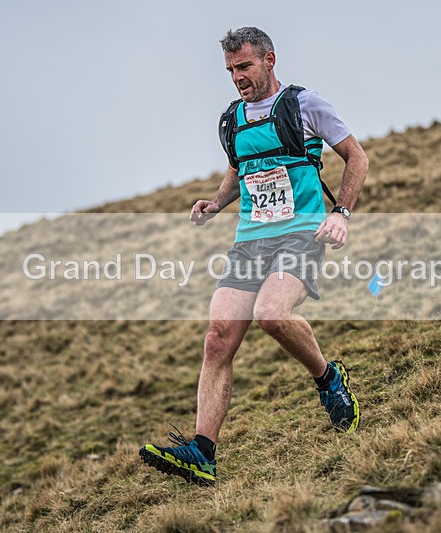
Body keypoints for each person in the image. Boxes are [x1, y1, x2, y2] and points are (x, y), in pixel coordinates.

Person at [140, 27, 369, 485]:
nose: (237, 78)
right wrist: (215, 203)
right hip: (249, 241)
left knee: (270, 314)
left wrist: (341, 213)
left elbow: (356, 157)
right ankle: (203, 453)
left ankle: (327, 378)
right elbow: (237, 170)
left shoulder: (305, 104)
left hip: (301, 234)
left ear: (269, 59)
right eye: (230, 71)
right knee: (217, 338)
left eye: (244, 67)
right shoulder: (232, 119)